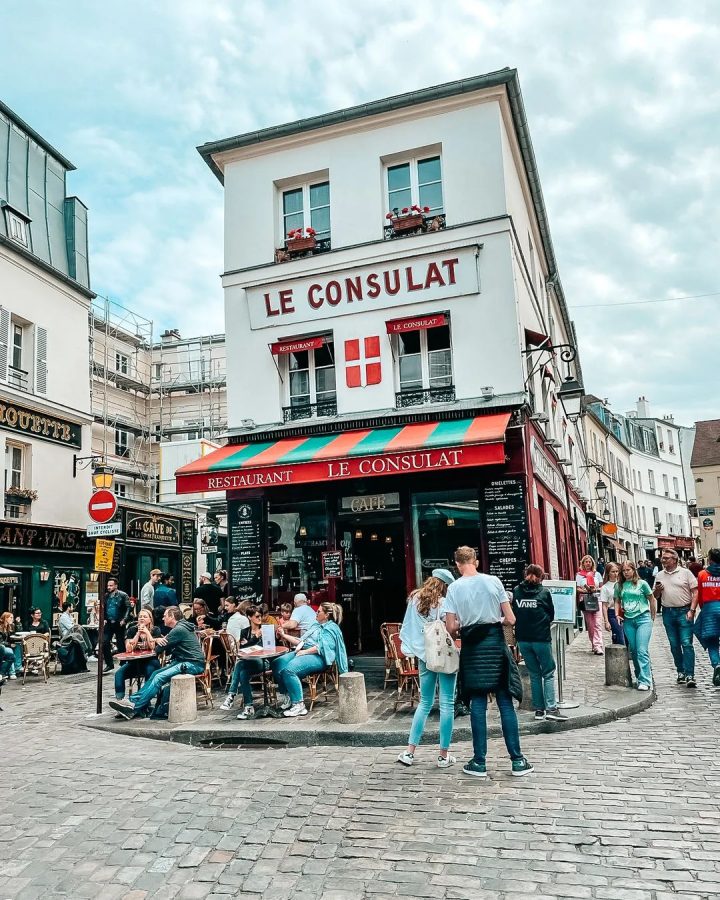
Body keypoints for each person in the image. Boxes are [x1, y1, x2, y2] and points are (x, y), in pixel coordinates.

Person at [443, 546, 533, 778]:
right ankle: (517, 760)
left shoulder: (454, 588)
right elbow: (511, 619)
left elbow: (451, 627)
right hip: (495, 644)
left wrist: (464, 628)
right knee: (505, 703)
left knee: (478, 705)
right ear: (476, 560)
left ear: (457, 563)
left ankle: (479, 762)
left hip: (473, 648)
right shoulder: (493, 581)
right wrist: (494, 620)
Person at [396, 569, 458, 769]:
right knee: (447, 703)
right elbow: (451, 628)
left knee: (425, 703)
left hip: (425, 655)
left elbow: (408, 627)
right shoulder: (445, 602)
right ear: (445, 586)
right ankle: (443, 755)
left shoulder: (415, 599)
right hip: (445, 654)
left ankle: (410, 751)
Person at [110, 606, 206, 719]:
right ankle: (133, 704)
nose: (163, 618)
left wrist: (158, 641)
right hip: (184, 661)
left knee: (159, 676)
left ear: (172, 617)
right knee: (156, 674)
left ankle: (133, 705)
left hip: (192, 664)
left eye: (165, 616)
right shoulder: (181, 627)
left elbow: (158, 649)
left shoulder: (178, 629)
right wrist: (158, 640)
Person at [272, 602, 348, 719]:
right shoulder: (315, 625)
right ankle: (288, 695)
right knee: (278, 663)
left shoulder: (331, 628)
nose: (316, 613)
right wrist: (284, 635)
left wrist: (304, 652)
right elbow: (301, 642)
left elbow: (322, 647)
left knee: (289, 670)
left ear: (327, 615)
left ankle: (299, 705)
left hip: (320, 658)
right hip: (304, 651)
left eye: (318, 612)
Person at [511, 564, 567, 722]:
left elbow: (515, 611)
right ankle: (551, 708)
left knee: (535, 674)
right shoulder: (544, 592)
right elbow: (551, 614)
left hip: (523, 639)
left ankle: (539, 710)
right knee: (548, 673)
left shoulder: (517, 591)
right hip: (541, 638)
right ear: (541, 577)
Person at [653, 548, 697, 687]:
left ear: (675, 559)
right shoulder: (659, 575)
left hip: (684, 611)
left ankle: (690, 674)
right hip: (668, 612)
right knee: (674, 645)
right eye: (662, 558)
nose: (663, 560)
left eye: (666, 558)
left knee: (687, 643)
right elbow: (655, 596)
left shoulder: (686, 573)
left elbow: (695, 592)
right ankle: (681, 671)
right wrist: (658, 590)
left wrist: (692, 610)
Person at [615, 561, 656, 691]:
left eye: (628, 570)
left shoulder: (642, 584)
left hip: (643, 618)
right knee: (634, 650)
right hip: (628, 620)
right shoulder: (619, 585)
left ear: (634, 570)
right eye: (624, 571)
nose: (626, 573)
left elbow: (651, 598)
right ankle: (639, 677)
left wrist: (652, 615)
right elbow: (617, 600)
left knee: (642, 650)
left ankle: (645, 680)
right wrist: (617, 614)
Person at [220, 605, 265, 715]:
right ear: (250, 617)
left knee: (240, 663)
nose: (260, 619)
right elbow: (243, 649)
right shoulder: (245, 631)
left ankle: (231, 695)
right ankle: (249, 707)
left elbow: (267, 648)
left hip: (262, 661)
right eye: (257, 616)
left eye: (261, 616)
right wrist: (255, 639)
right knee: (243, 674)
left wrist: (252, 641)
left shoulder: (265, 629)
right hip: (248, 662)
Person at [113, 608, 162, 702]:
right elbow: (128, 648)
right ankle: (120, 700)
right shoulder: (132, 629)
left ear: (150, 619)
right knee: (119, 674)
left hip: (151, 661)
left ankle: (145, 700)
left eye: (145, 616)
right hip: (134, 662)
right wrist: (138, 633)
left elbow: (152, 647)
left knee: (149, 671)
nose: (142, 618)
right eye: (140, 616)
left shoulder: (155, 630)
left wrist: (147, 632)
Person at [690, 548, 720, 685]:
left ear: (710, 559)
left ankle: (717, 664)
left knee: (712, 641)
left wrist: (702, 609)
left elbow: (700, 595)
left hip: (709, 610)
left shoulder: (702, 574)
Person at [576, 555, 604, 655]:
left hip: (597, 599)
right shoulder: (579, 575)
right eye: (586, 562)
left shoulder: (597, 574)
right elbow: (577, 588)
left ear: (592, 563)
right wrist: (584, 590)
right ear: (582, 563)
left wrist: (595, 589)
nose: (588, 563)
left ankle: (598, 645)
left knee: (597, 623)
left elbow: (602, 587)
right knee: (591, 624)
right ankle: (593, 643)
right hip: (585, 600)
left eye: (589, 562)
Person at [102, 578, 130, 673]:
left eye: (111, 585)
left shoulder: (123, 595)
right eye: (108, 586)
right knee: (104, 642)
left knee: (120, 643)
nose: (109, 587)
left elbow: (128, 607)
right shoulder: (106, 596)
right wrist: (104, 618)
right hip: (109, 622)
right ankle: (109, 664)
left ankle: (123, 663)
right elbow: (104, 608)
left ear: (116, 586)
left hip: (119, 621)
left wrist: (124, 619)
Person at [600, 563, 625, 645]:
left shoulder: (623, 584)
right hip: (612, 612)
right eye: (613, 572)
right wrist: (606, 621)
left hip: (625, 611)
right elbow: (604, 605)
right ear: (608, 573)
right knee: (620, 635)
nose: (615, 574)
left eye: (617, 571)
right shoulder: (605, 587)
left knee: (627, 636)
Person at [0, 611, 21, 678]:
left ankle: (18, 667)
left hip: (6, 645)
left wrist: (18, 623)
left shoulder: (9, 626)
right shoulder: (0, 627)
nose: (12, 619)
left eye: (13, 617)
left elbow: (17, 633)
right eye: (11, 617)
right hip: (2, 646)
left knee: (18, 645)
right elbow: (1, 642)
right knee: (10, 651)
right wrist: (9, 645)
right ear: (5, 618)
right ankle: (12, 672)